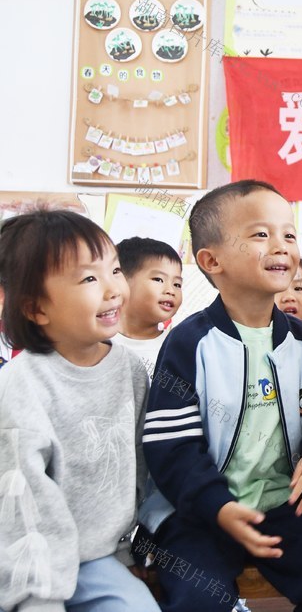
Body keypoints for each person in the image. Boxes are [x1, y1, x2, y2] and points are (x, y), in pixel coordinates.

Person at [137, 180, 302, 612]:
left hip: (284, 506)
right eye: (260, 234)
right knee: (197, 598)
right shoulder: (189, 343)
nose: (281, 245)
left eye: (289, 234)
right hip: (199, 513)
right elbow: (171, 446)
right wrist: (216, 506)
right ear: (211, 260)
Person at [0, 210, 158, 612]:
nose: (113, 289)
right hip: (30, 563)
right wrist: (38, 596)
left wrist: (131, 552)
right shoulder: (22, 383)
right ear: (37, 309)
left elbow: (142, 469)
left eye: (115, 270)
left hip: (97, 559)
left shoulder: (129, 369)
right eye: (89, 278)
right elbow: (22, 506)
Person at [113, 237, 184, 379]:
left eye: (177, 284)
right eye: (158, 279)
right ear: (122, 282)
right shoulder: (98, 343)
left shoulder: (176, 349)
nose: (171, 290)